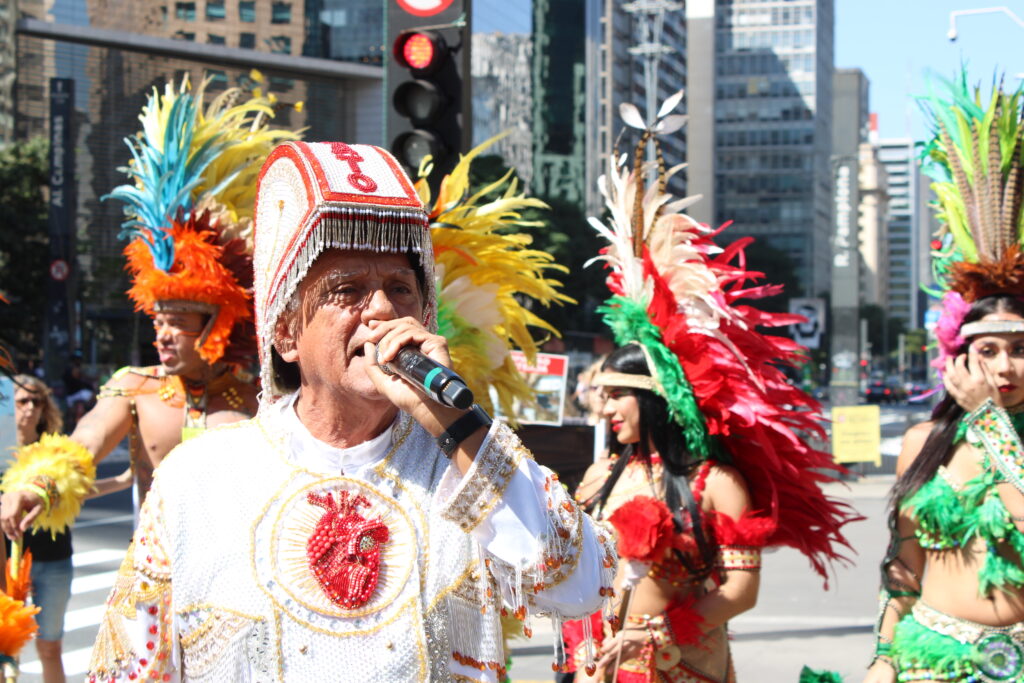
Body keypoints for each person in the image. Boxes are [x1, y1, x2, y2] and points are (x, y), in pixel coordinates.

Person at [84, 141, 616, 682]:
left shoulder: (466, 468)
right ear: (287, 334)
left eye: (400, 289)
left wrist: (458, 427)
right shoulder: (195, 480)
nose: (383, 310)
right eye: (349, 290)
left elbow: (581, 587)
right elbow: (128, 669)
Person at [561, 96, 858, 682]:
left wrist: (654, 639)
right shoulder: (600, 476)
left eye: (620, 394)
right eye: (605, 395)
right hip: (595, 667)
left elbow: (740, 590)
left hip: (683, 667)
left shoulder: (715, 483)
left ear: (655, 398)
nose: (608, 407)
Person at [0, 75, 302, 537]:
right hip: (155, 591)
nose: (160, 333)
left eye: (177, 322)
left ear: (220, 322)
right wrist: (37, 486)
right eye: (158, 321)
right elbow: (82, 445)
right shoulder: (135, 388)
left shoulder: (268, 397)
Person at [864, 74, 1024, 683]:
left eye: (1020, 350)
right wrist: (883, 653)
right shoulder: (921, 443)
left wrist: (991, 419)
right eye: (988, 349)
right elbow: (904, 563)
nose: (1004, 366)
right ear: (958, 357)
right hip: (926, 661)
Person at [5, 375, 73, 683]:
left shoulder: (54, 451)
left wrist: (124, 479)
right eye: (23, 400)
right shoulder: (1, 449)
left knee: (50, 647)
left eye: (37, 401)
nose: (30, 408)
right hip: (7, 564)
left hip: (53, 559)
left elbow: (77, 489)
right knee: (6, 650)